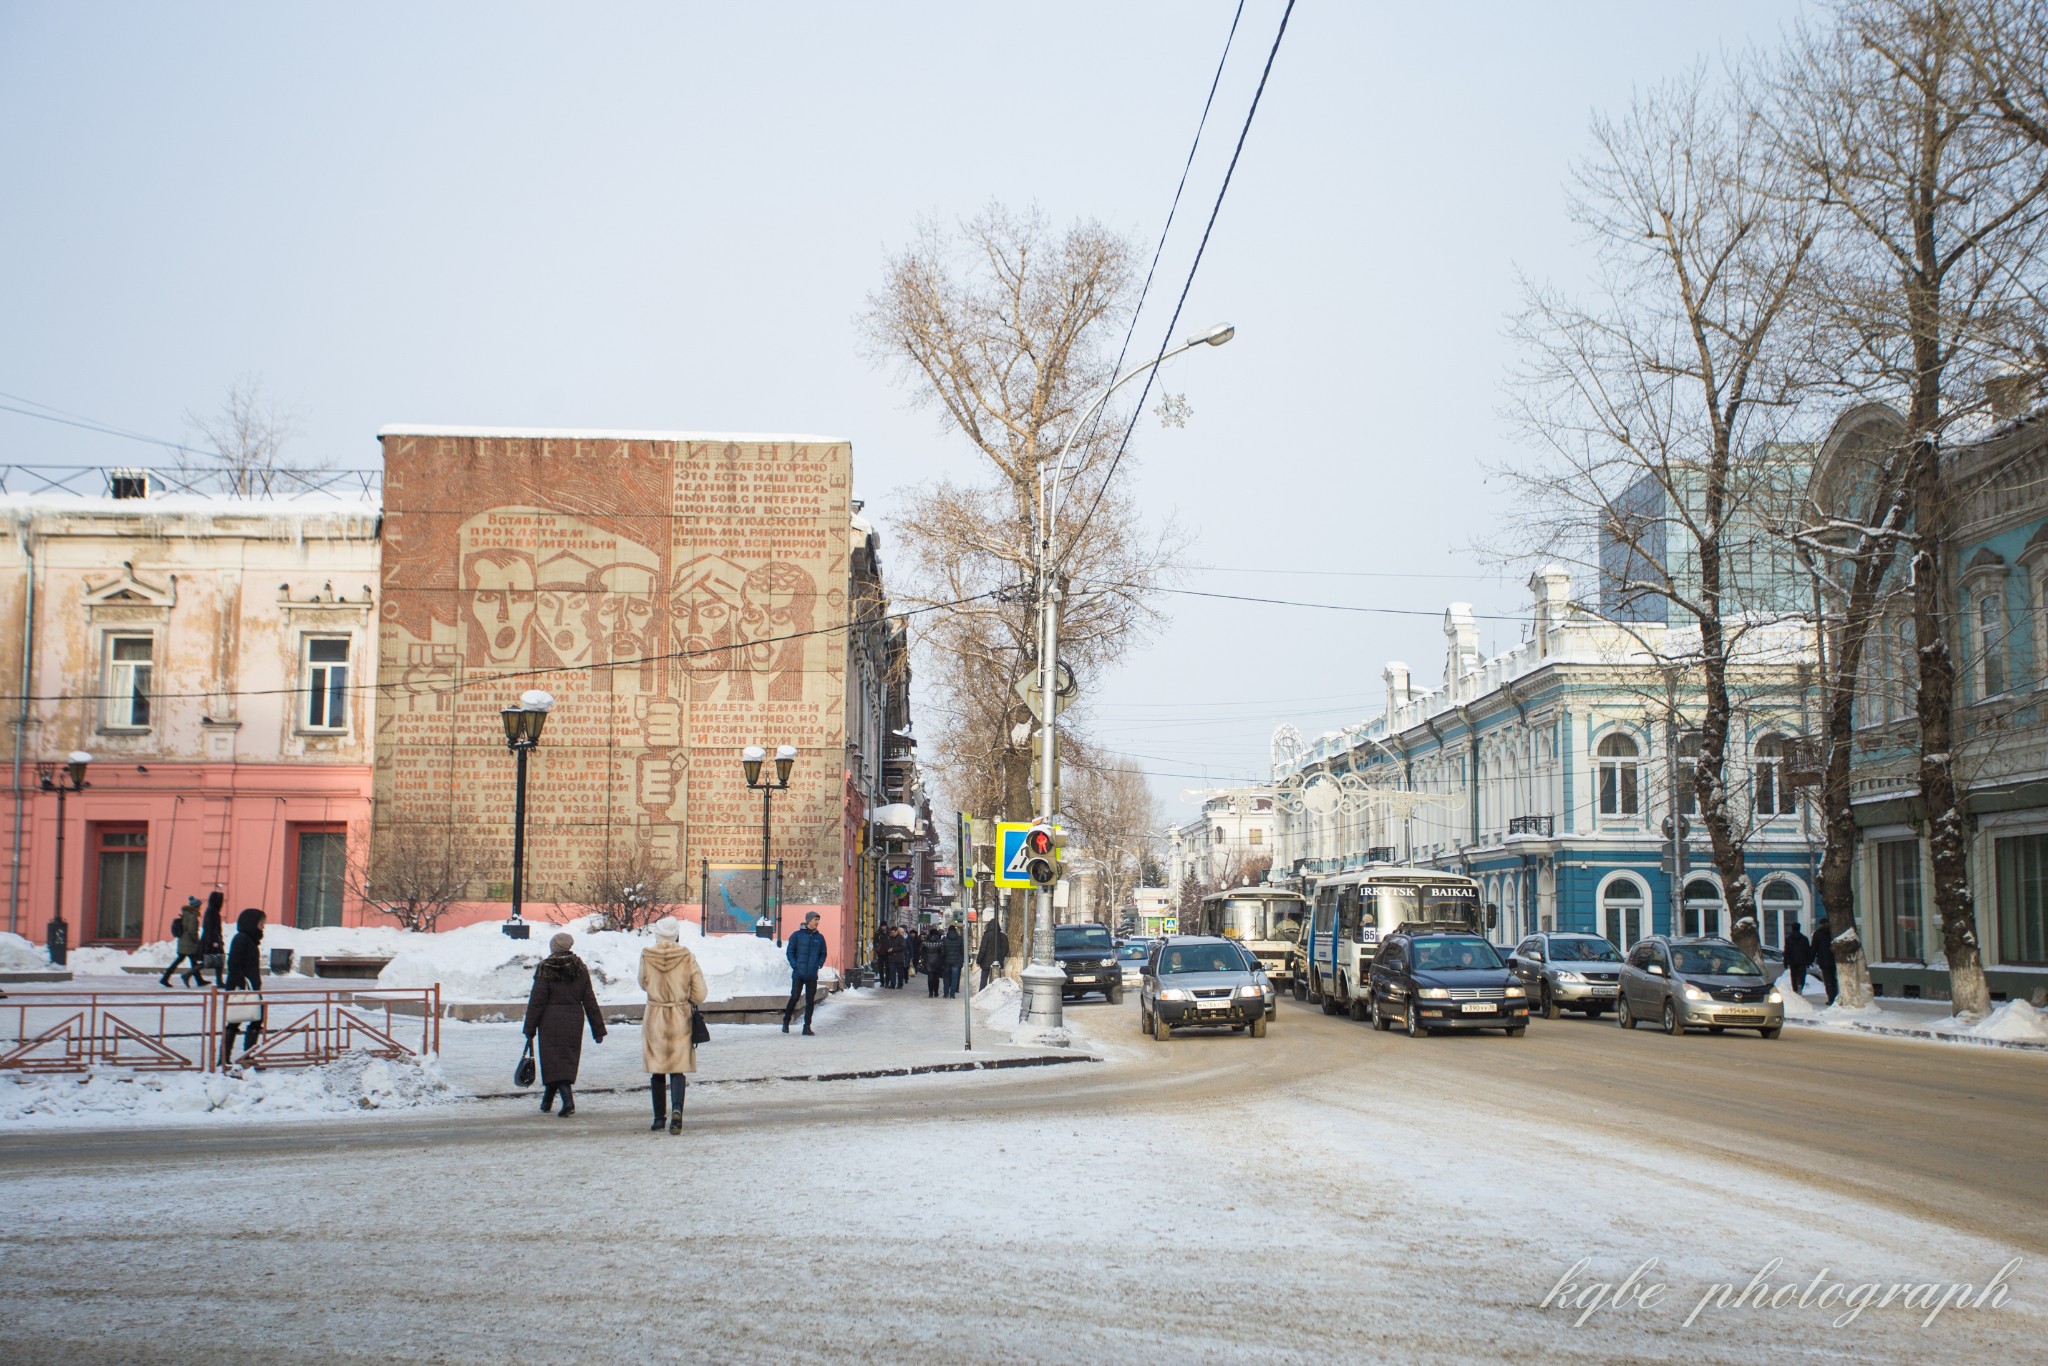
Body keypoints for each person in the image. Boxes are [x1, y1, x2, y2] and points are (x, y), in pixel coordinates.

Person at [522, 932, 606, 1117]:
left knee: (553, 1059)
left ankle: (568, 1101)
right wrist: (597, 1029)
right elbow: (589, 999)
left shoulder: (546, 967)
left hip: (550, 1020)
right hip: (573, 1020)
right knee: (564, 1059)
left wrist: (529, 1028)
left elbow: (537, 1001)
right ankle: (547, 1101)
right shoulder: (579, 968)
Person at [639, 917, 707, 1134]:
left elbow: (642, 982)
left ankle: (659, 1118)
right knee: (677, 1069)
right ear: (677, 934)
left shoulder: (647, 955)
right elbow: (700, 993)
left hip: (655, 1016)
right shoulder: (686, 956)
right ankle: (677, 1110)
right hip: (679, 1016)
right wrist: (686, 999)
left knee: (657, 1071)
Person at [218, 908, 267, 1069]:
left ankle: (246, 1057)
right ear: (252, 923)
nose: (263, 927)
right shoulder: (241, 938)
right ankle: (225, 1059)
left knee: (256, 1019)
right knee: (234, 1021)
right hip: (241, 989)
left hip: (250, 988)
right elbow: (234, 965)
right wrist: (243, 986)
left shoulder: (250, 939)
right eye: (261, 923)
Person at [784, 911, 827, 1034]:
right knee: (795, 997)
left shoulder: (820, 938)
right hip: (798, 973)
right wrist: (795, 964)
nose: (817, 922)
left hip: (812, 974)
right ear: (809, 920)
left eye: (818, 920)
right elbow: (790, 952)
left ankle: (807, 1027)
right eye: (815, 920)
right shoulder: (797, 936)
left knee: (810, 1001)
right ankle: (786, 1021)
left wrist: (819, 963)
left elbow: (823, 953)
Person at [159, 895, 205, 988]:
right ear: (196, 906)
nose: (200, 908)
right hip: (189, 943)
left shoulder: (186, 914)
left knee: (190, 961)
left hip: (184, 942)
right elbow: (192, 931)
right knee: (190, 961)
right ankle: (165, 978)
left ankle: (199, 980)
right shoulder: (192, 916)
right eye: (199, 906)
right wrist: (197, 941)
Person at [196, 891, 226, 988]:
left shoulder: (211, 911)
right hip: (212, 939)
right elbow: (211, 928)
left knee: (215, 960)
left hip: (212, 939)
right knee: (215, 959)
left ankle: (219, 981)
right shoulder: (212, 912)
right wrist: (215, 942)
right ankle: (219, 981)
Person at [975, 915, 1009, 991]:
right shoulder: (1003, 936)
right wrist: (1001, 956)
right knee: (996, 980)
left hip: (986, 962)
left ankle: (982, 993)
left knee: (984, 979)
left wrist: (978, 960)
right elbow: (1006, 949)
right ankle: (995, 993)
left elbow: (982, 949)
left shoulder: (986, 936)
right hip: (998, 962)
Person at [1811, 919, 1839, 1005]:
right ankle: (1835, 996)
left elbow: (1814, 948)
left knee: (1828, 980)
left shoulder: (1818, 934)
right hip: (1833, 959)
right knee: (1833, 979)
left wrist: (1811, 959)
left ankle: (1831, 998)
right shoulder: (1833, 933)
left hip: (1823, 960)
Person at [1783, 921, 1814, 994]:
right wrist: (1809, 961)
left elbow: (1787, 951)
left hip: (1792, 961)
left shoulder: (1788, 939)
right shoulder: (1804, 939)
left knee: (1793, 975)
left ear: (1792, 929)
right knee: (1802, 975)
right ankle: (1800, 985)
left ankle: (1795, 988)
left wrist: (1785, 961)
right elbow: (1808, 950)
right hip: (1802, 961)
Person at [940, 923, 965, 999]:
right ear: (955, 930)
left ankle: (946, 993)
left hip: (946, 961)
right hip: (956, 962)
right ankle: (952, 994)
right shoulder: (960, 939)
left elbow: (942, 952)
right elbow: (962, 951)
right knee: (955, 978)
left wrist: (942, 960)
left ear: (948, 930)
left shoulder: (944, 939)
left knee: (946, 977)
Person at [923, 927, 945, 998]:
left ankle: (930, 993)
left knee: (930, 977)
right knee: (936, 978)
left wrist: (925, 957)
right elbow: (943, 953)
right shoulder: (940, 943)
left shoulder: (925, 942)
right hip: (937, 962)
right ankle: (936, 992)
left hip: (928, 962)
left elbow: (921, 950)